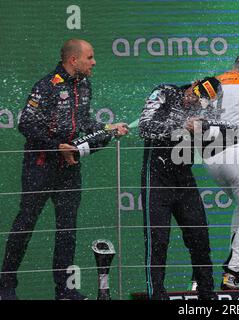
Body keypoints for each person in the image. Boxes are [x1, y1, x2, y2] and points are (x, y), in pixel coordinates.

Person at [0, 39, 129, 300]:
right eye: (90, 57)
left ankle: (65, 289)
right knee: (25, 224)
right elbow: (26, 124)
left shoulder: (84, 86)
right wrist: (54, 146)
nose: (94, 62)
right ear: (74, 60)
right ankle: (6, 285)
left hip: (69, 168)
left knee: (67, 229)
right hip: (40, 166)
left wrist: (107, 130)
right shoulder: (47, 86)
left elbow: (84, 122)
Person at [139, 77, 223, 300]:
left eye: (200, 102)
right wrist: (181, 126)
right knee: (158, 240)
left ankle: (207, 294)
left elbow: (212, 144)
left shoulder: (209, 108)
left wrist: (207, 132)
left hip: (184, 177)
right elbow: (145, 127)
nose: (193, 102)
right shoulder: (164, 91)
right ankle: (156, 294)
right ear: (193, 84)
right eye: (193, 95)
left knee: (200, 238)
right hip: (156, 177)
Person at [192, 52, 239, 291]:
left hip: (210, 158)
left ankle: (231, 269)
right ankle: (233, 274)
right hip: (235, 154)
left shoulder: (213, 82)